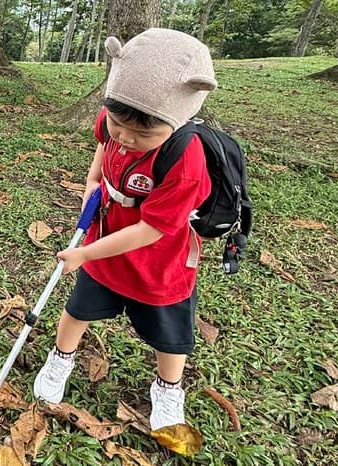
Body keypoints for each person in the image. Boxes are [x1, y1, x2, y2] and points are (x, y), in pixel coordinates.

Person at [32, 28, 217, 431]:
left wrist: (81, 254)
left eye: (144, 135)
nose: (127, 138)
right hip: (105, 239)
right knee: (78, 308)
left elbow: (152, 230)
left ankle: (168, 388)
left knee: (170, 333)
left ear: (178, 120)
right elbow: (102, 145)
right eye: (119, 124)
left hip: (159, 261)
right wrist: (93, 184)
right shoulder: (113, 119)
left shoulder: (186, 163)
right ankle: (60, 359)